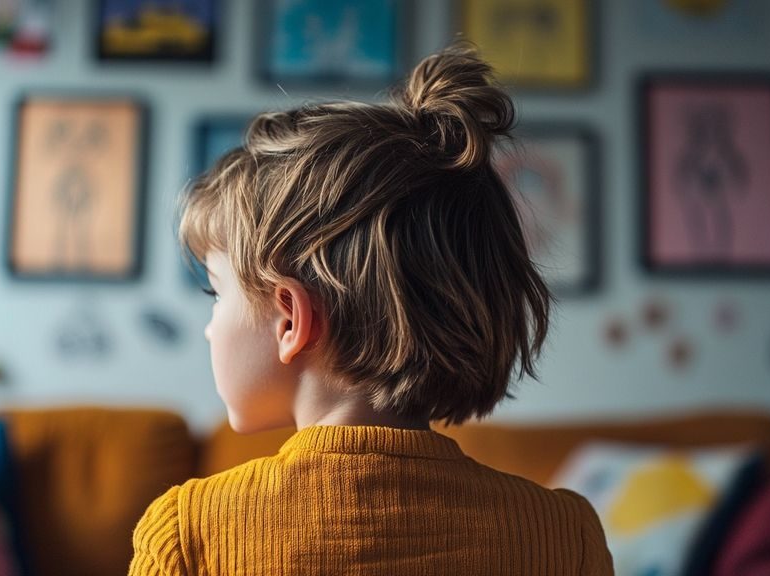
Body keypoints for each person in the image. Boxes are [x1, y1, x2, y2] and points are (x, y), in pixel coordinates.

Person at [129, 43, 613, 576]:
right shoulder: (566, 534)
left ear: (290, 319)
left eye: (216, 294)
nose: (209, 331)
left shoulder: (188, 531)